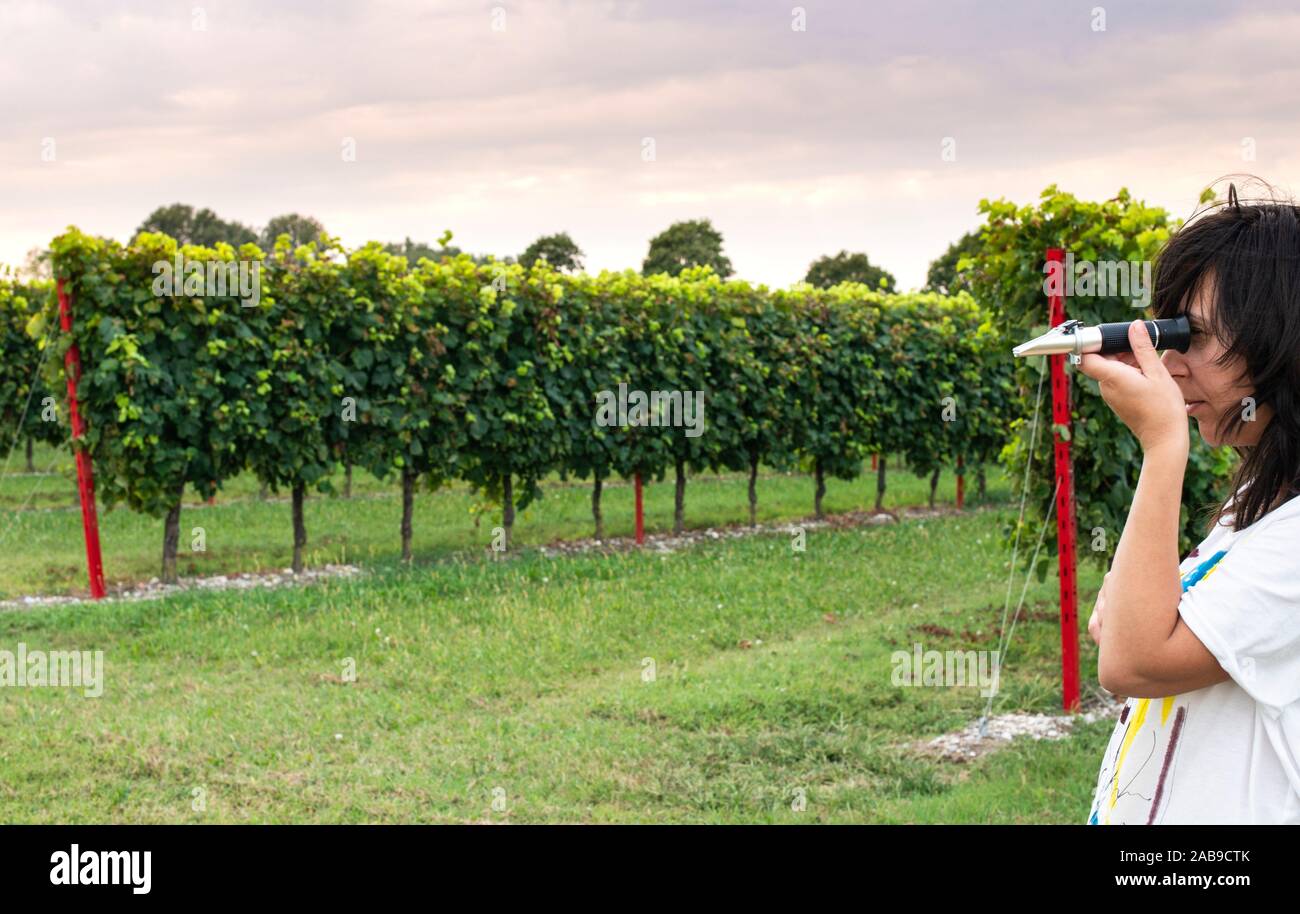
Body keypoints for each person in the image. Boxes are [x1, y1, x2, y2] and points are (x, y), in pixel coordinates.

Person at [1079, 187, 1300, 824]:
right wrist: (1140, 618)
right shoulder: (1256, 508)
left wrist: (1162, 445)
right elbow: (1124, 626)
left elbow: (1129, 658)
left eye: (1192, 337)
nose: (1170, 367)